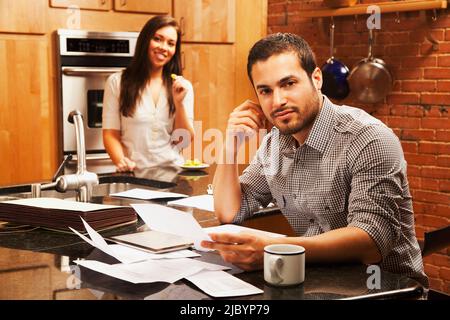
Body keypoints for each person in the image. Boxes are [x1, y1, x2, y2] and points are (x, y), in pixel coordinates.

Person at [201, 33, 428, 287]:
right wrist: (231, 144)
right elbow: (229, 211)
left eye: (288, 83)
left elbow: (371, 242)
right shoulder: (274, 144)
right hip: (321, 283)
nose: (278, 101)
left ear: (316, 79)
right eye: (265, 90)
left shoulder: (369, 138)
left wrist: (276, 247)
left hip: (388, 290)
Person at [102, 15, 194, 172]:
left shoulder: (181, 87)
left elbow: (182, 142)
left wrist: (179, 103)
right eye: (158, 39)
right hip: (134, 173)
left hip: (175, 175)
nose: (164, 47)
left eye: (171, 43)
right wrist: (122, 161)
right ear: (145, 40)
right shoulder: (117, 82)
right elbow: (110, 134)